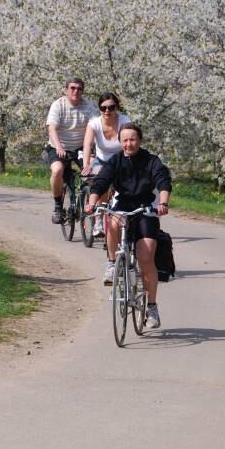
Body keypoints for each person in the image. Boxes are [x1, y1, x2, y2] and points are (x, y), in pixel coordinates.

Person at [85, 123, 172, 329]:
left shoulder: (151, 161)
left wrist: (163, 202)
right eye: (124, 140)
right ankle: (112, 262)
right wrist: (92, 202)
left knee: (146, 256)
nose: (128, 144)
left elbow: (163, 180)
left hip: (145, 209)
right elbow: (101, 181)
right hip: (123, 205)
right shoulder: (115, 160)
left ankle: (151, 306)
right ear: (120, 142)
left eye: (132, 139)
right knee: (113, 220)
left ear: (139, 140)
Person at [46, 77, 98, 224]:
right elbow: (52, 129)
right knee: (57, 170)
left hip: (81, 147)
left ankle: (91, 203)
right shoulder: (58, 105)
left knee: (94, 171)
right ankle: (58, 206)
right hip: (59, 145)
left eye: (79, 89)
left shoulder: (88, 107)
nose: (76, 91)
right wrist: (59, 147)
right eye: (72, 88)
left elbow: (96, 127)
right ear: (66, 90)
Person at [81, 92, 131, 236]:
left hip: (121, 161)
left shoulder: (124, 121)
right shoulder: (94, 124)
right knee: (100, 185)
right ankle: (98, 220)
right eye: (103, 108)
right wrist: (86, 164)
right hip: (101, 161)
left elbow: (130, 142)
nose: (107, 111)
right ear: (100, 109)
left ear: (117, 107)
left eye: (111, 107)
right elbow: (87, 144)